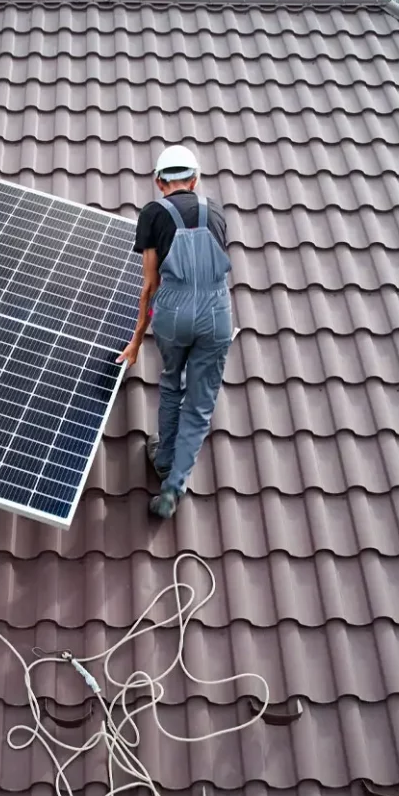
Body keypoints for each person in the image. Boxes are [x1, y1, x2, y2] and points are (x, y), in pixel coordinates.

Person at [116, 144, 233, 520]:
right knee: (200, 404)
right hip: (216, 314)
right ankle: (173, 488)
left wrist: (135, 341)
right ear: (195, 181)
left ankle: (163, 457)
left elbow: (149, 285)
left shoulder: (152, 213)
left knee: (171, 382)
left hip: (173, 313)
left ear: (158, 182)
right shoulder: (214, 209)